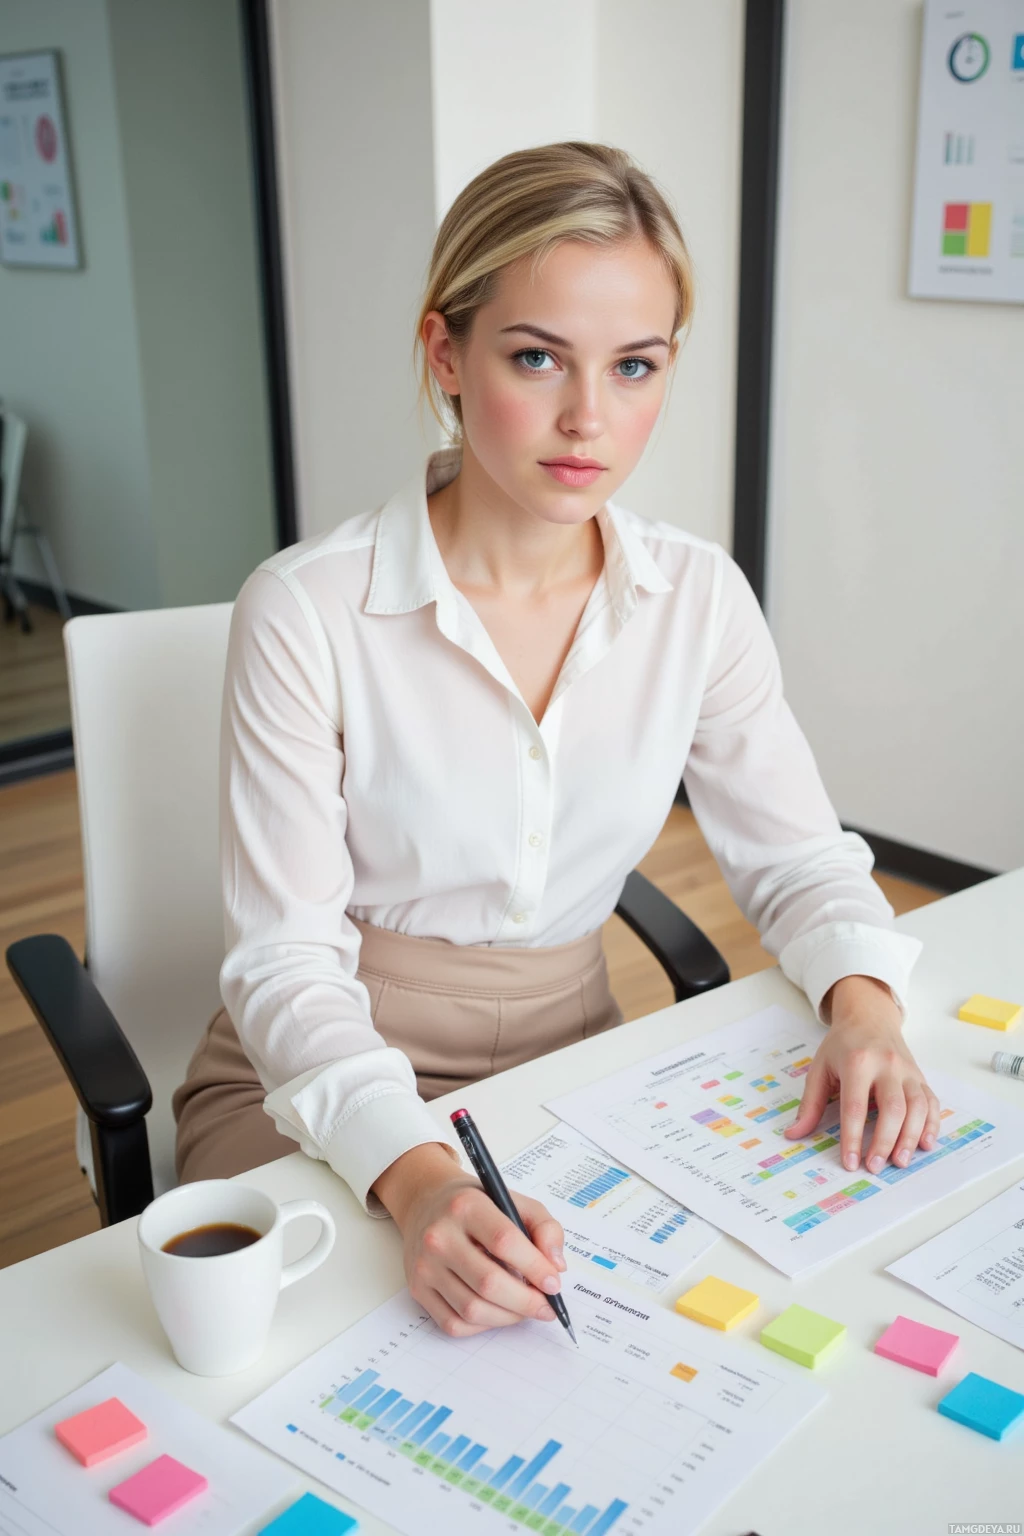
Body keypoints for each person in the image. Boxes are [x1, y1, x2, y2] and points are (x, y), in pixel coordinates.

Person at [173, 140, 936, 1341]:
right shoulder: (306, 609)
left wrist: (864, 1004)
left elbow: (796, 862)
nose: (590, 418)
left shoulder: (697, 598)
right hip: (317, 1075)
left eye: (633, 367)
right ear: (447, 355)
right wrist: (415, 1177)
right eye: (537, 358)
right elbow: (284, 969)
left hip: (575, 1056)